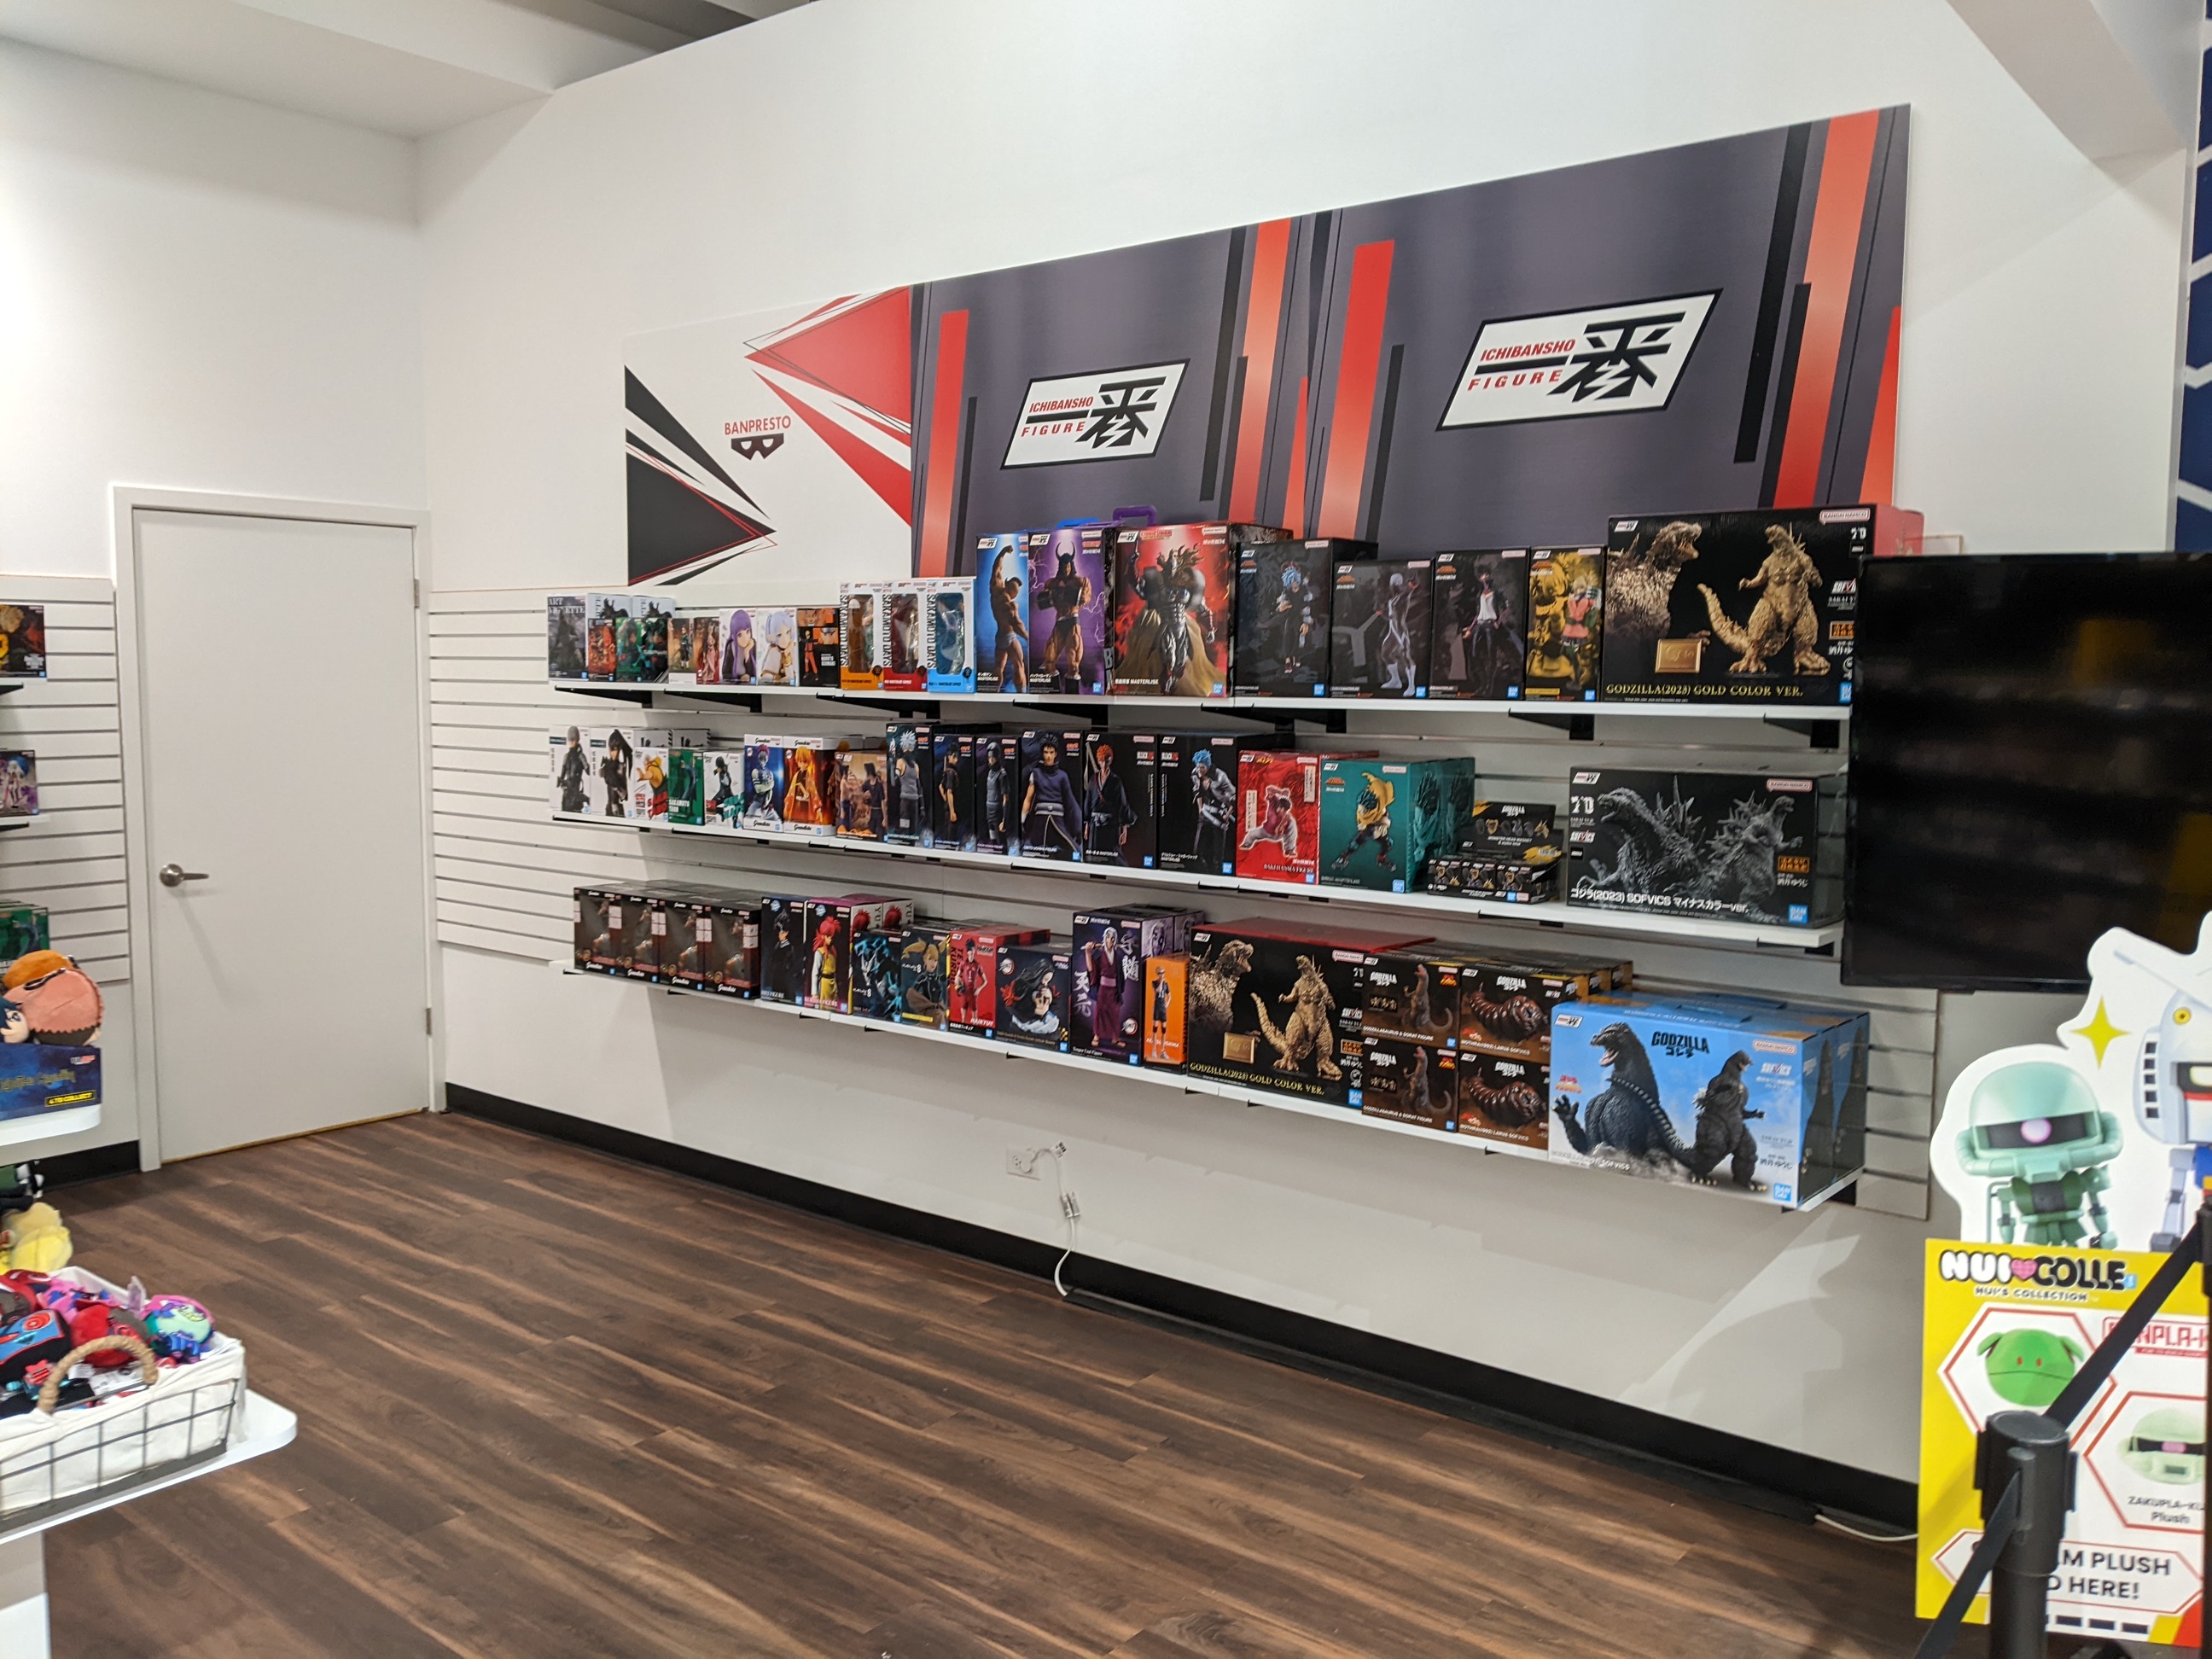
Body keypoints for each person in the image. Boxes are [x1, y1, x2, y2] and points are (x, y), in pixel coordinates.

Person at [1021, 738, 1082, 856]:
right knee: (1033, 851)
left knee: (1074, 851)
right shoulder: (1035, 773)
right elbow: (1028, 798)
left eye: (1051, 752)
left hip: (1058, 819)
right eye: (1046, 752)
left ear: (1055, 754)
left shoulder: (1062, 776)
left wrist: (1078, 827)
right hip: (1040, 821)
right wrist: (1022, 820)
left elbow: (1070, 802)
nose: (1048, 756)